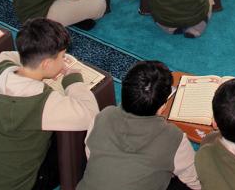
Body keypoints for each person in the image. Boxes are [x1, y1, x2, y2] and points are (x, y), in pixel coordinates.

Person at [0, 18, 100, 190]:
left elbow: (6, 55)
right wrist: (73, 80)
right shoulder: (42, 102)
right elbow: (90, 113)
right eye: (62, 57)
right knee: (71, 141)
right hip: (15, 184)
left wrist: (35, 58)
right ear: (46, 64)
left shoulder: (1, 69)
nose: (64, 61)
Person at [78, 60, 201, 189]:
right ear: (161, 108)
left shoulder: (102, 117)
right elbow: (195, 181)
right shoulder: (174, 138)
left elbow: (91, 155)